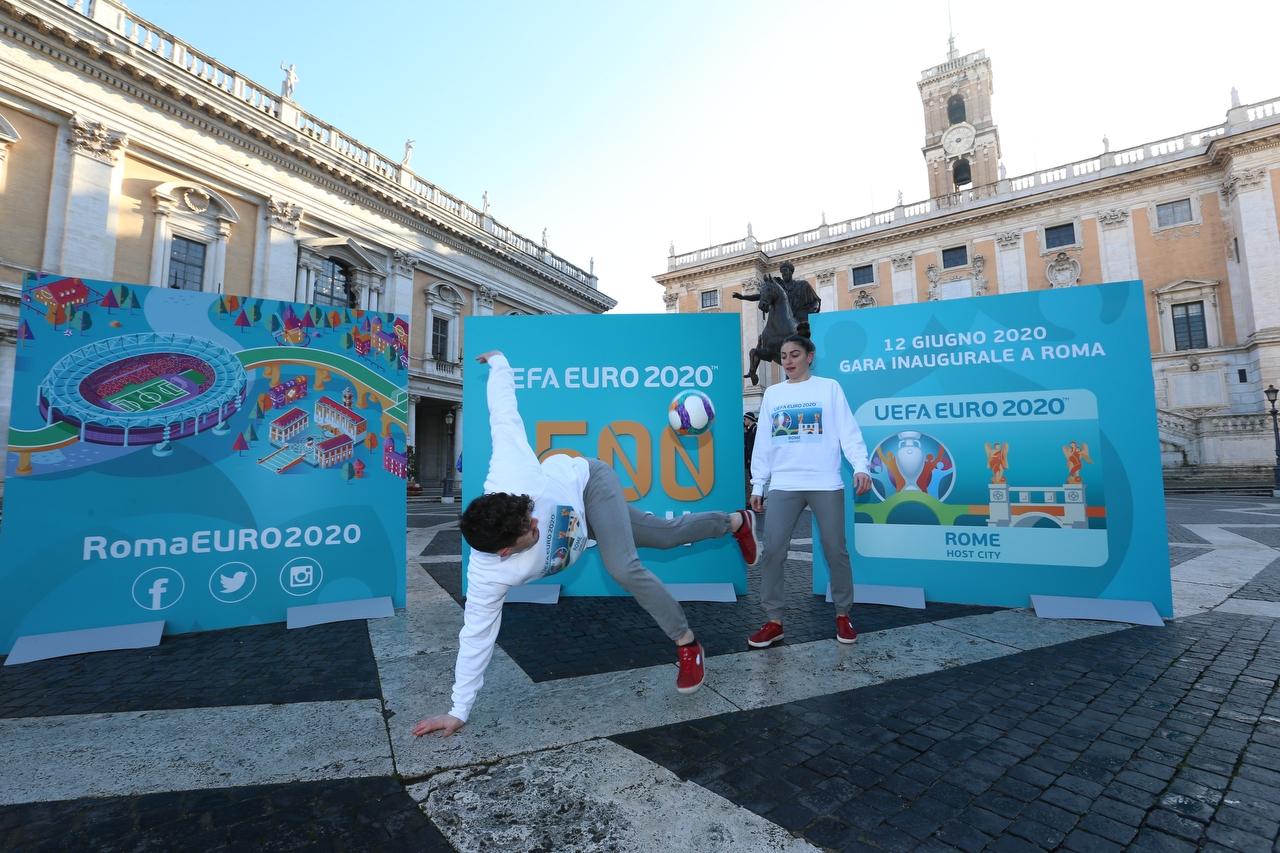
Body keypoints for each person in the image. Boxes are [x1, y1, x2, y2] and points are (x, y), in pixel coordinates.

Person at [412, 350, 760, 738]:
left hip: (590, 483)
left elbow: (504, 414)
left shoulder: (513, 471)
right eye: (530, 530)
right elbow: (476, 635)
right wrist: (459, 709)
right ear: (506, 550)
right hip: (583, 527)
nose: (535, 523)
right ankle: (734, 521)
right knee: (665, 536)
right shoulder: (487, 577)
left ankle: (687, 644)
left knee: (622, 567)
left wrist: (500, 365)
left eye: (531, 514)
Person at [747, 335, 871, 649]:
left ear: (809, 356)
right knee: (773, 551)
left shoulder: (829, 388)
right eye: (784, 355)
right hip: (784, 484)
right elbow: (764, 442)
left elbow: (849, 431)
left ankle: (843, 614)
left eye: (795, 354)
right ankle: (774, 621)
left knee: (835, 551)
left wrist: (861, 467)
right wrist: (758, 484)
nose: (788, 361)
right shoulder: (773, 394)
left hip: (825, 482)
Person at [743, 411, 758, 504]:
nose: (744, 421)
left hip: (754, 458)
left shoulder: (755, 429)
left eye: (745, 419)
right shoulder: (750, 429)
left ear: (749, 419)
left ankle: (757, 502)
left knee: (755, 480)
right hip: (751, 458)